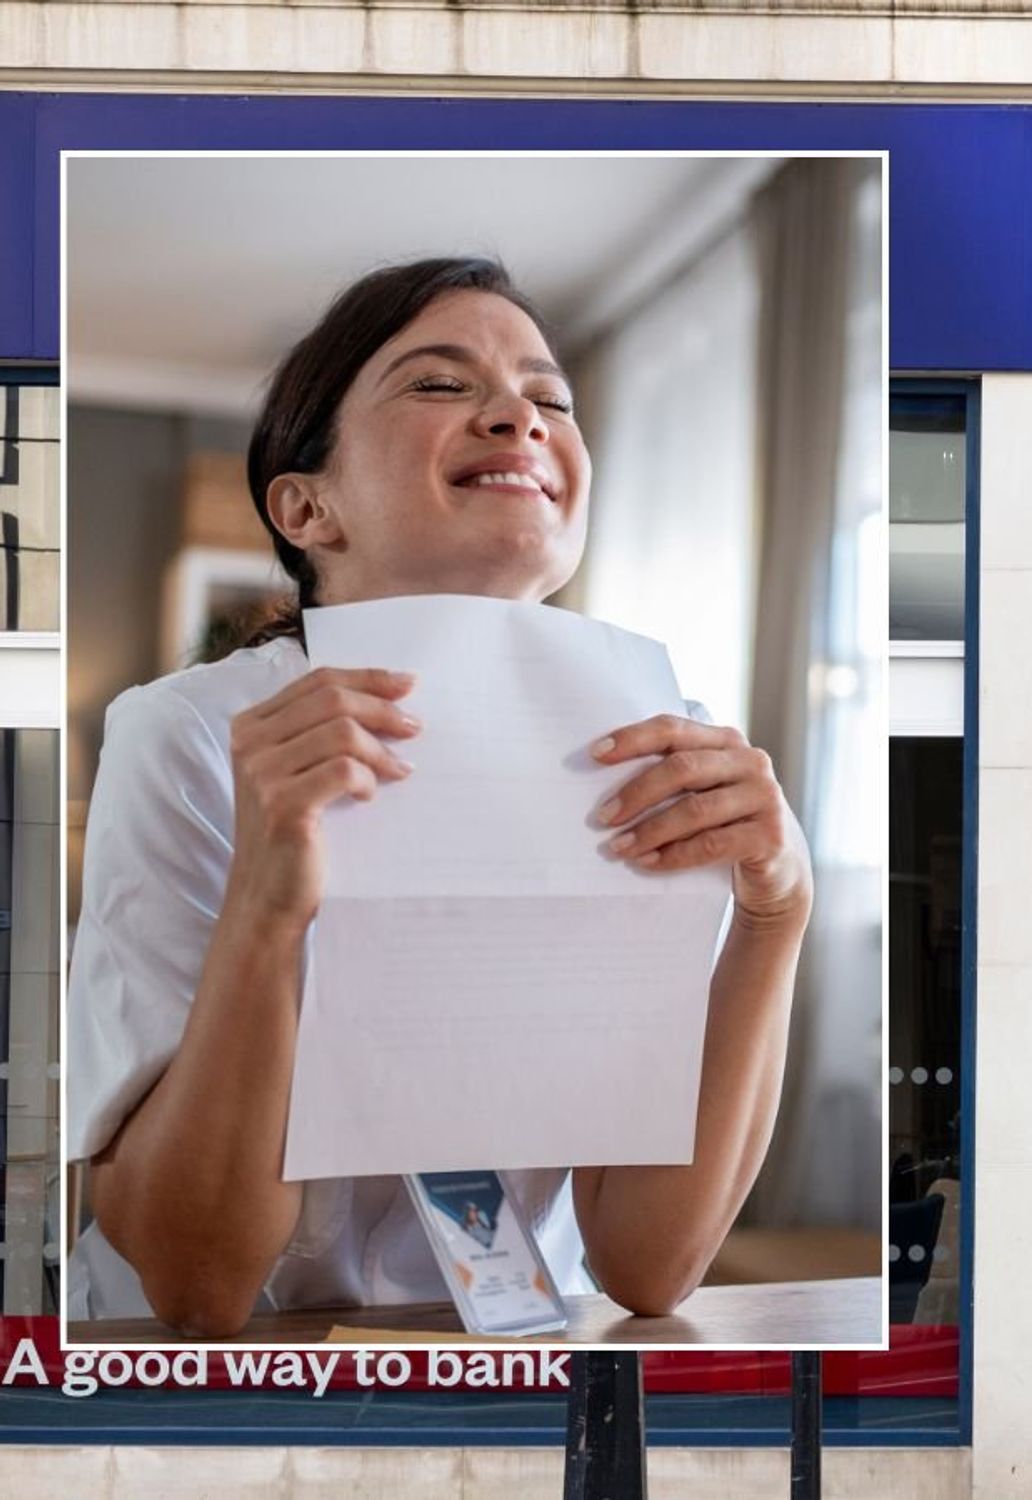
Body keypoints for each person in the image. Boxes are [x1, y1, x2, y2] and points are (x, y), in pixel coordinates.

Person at [67, 258, 813, 1337]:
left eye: (551, 399)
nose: (520, 417)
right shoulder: (191, 735)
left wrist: (774, 917)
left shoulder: (663, 742)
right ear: (307, 505)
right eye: (438, 384)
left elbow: (650, 1268)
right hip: (242, 1370)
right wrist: (267, 911)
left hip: (513, 1361)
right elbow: (196, 1287)